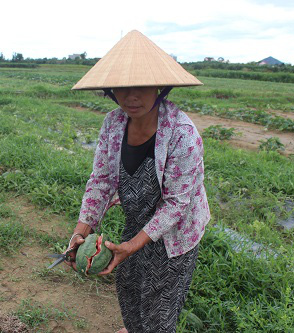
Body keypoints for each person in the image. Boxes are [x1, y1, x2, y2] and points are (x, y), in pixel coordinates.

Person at [67, 30, 210, 333]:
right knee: (130, 291)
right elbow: (102, 181)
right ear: (111, 90)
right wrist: (81, 232)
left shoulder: (182, 134)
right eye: (122, 87)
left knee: (159, 309)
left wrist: (132, 245)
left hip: (176, 235)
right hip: (136, 221)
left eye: (142, 86)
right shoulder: (113, 123)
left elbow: (176, 204)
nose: (131, 96)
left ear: (160, 86)